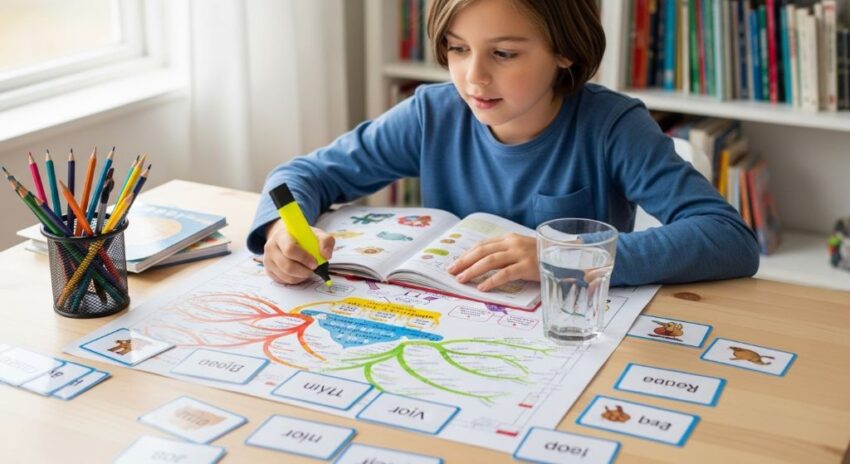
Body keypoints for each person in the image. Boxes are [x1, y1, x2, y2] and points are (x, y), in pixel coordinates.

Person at [248, 0, 759, 290]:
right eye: (457, 49)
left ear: (565, 52)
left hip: (574, 338)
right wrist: (281, 231)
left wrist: (564, 256)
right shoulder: (433, 113)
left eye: (505, 53)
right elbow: (303, 175)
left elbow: (728, 238)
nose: (474, 77)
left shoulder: (613, 126)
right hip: (453, 327)